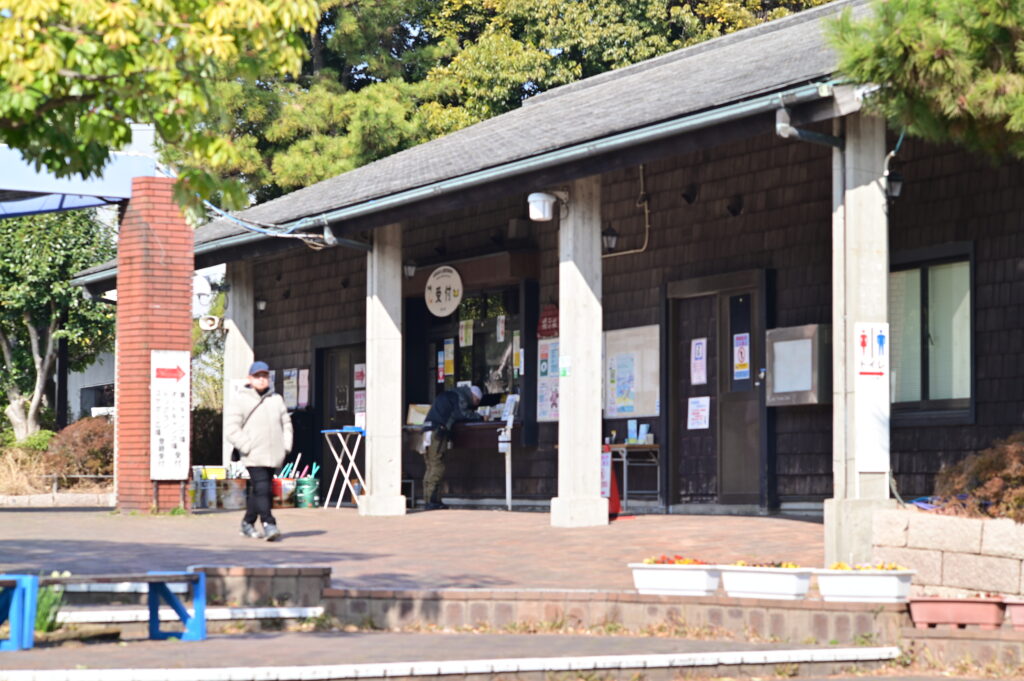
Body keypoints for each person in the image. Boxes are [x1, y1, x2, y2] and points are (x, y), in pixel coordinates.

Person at [225, 361, 292, 541]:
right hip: (254, 455)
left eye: (264, 376)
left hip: (274, 454)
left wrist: (286, 446)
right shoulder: (240, 400)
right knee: (263, 489)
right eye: (257, 376)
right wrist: (247, 446)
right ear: (250, 378)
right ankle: (269, 524)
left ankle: (247, 523)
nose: (262, 380)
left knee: (261, 490)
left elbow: (286, 424)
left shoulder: (276, 400)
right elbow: (231, 429)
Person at [421, 385, 482, 510]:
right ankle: (433, 501)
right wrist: (480, 417)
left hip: (426, 430)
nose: (475, 405)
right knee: (437, 465)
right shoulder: (460, 397)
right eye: (476, 401)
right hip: (437, 432)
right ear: (473, 396)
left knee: (430, 466)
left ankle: (428, 499)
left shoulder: (448, 394)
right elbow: (462, 414)